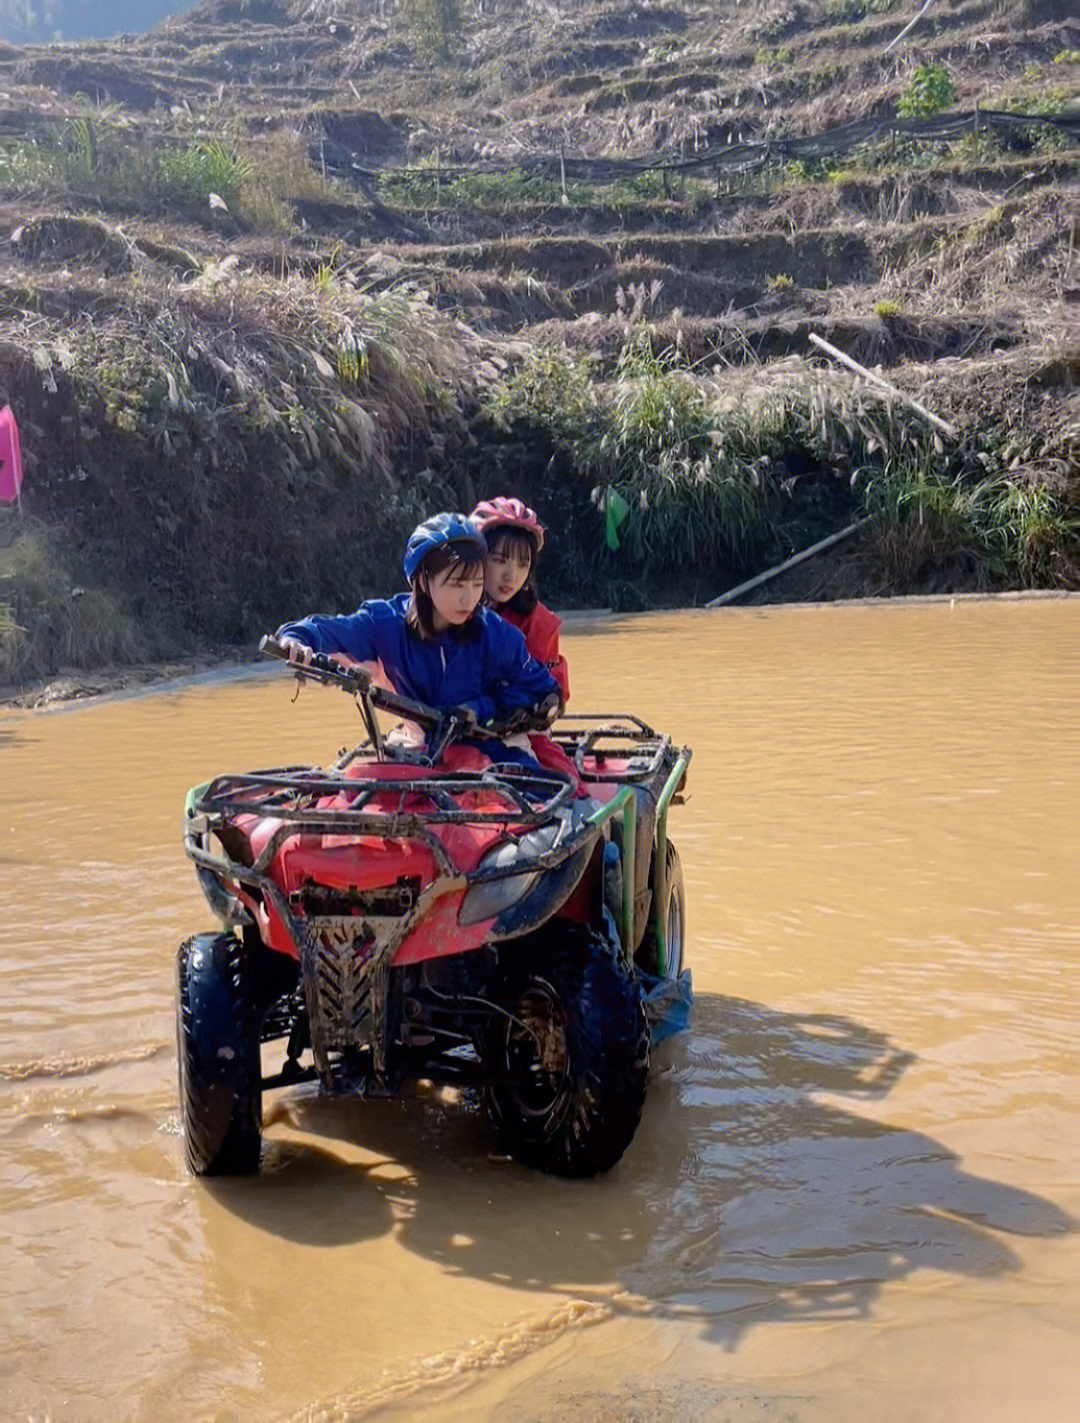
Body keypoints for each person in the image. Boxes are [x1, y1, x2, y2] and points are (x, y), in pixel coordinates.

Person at [274, 513, 561, 745]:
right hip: (421, 743)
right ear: (422, 581)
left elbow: (543, 690)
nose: (469, 598)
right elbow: (329, 629)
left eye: (476, 584)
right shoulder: (385, 622)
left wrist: (480, 708)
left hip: (488, 744)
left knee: (530, 791)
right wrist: (296, 640)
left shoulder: (496, 633)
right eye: (457, 584)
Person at [469, 496, 570, 704]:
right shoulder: (449, 608)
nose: (511, 576)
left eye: (522, 564)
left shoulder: (538, 623)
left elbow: (549, 694)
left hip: (512, 729)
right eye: (499, 560)